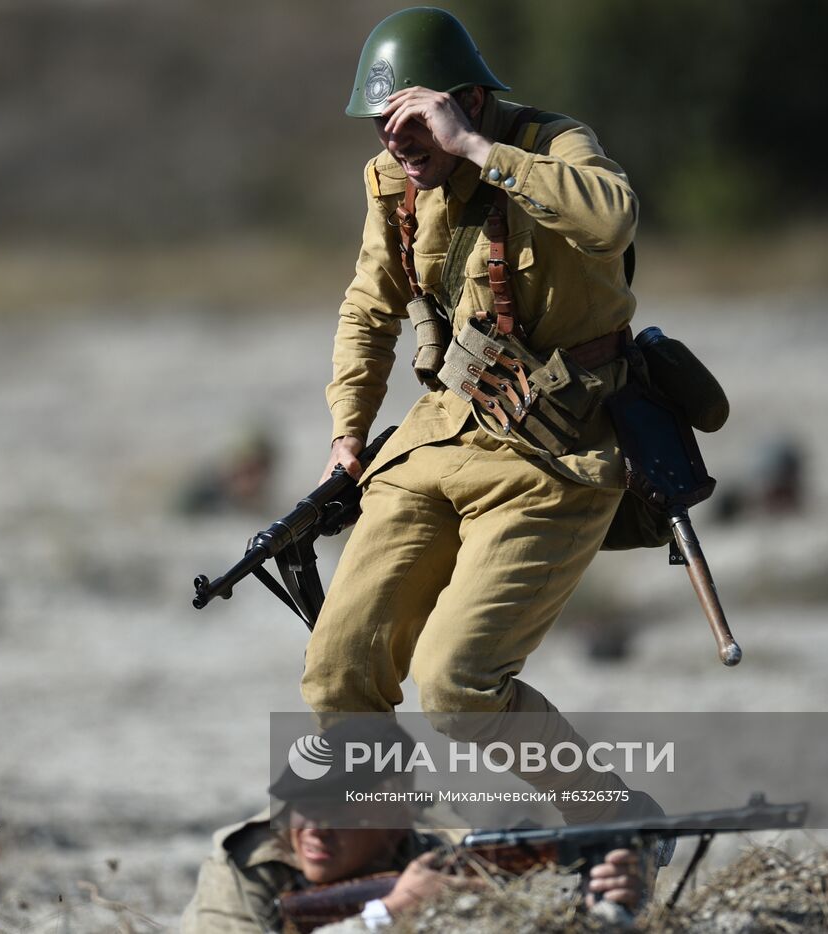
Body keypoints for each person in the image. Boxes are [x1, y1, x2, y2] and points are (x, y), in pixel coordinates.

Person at [300, 7, 649, 824]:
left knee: (457, 687)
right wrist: (348, 435)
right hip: (433, 443)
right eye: (383, 122)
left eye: (414, 119)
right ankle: (381, 850)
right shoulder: (390, 183)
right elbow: (368, 307)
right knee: (337, 671)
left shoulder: (553, 145)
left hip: (554, 456)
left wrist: (479, 153)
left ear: (464, 99)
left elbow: (612, 219)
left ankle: (612, 821)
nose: (397, 138)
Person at [180, 721, 643, 933]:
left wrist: (607, 908)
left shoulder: (447, 853)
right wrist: (391, 910)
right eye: (303, 807)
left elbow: (534, 917)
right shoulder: (245, 862)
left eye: (341, 810)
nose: (314, 829)